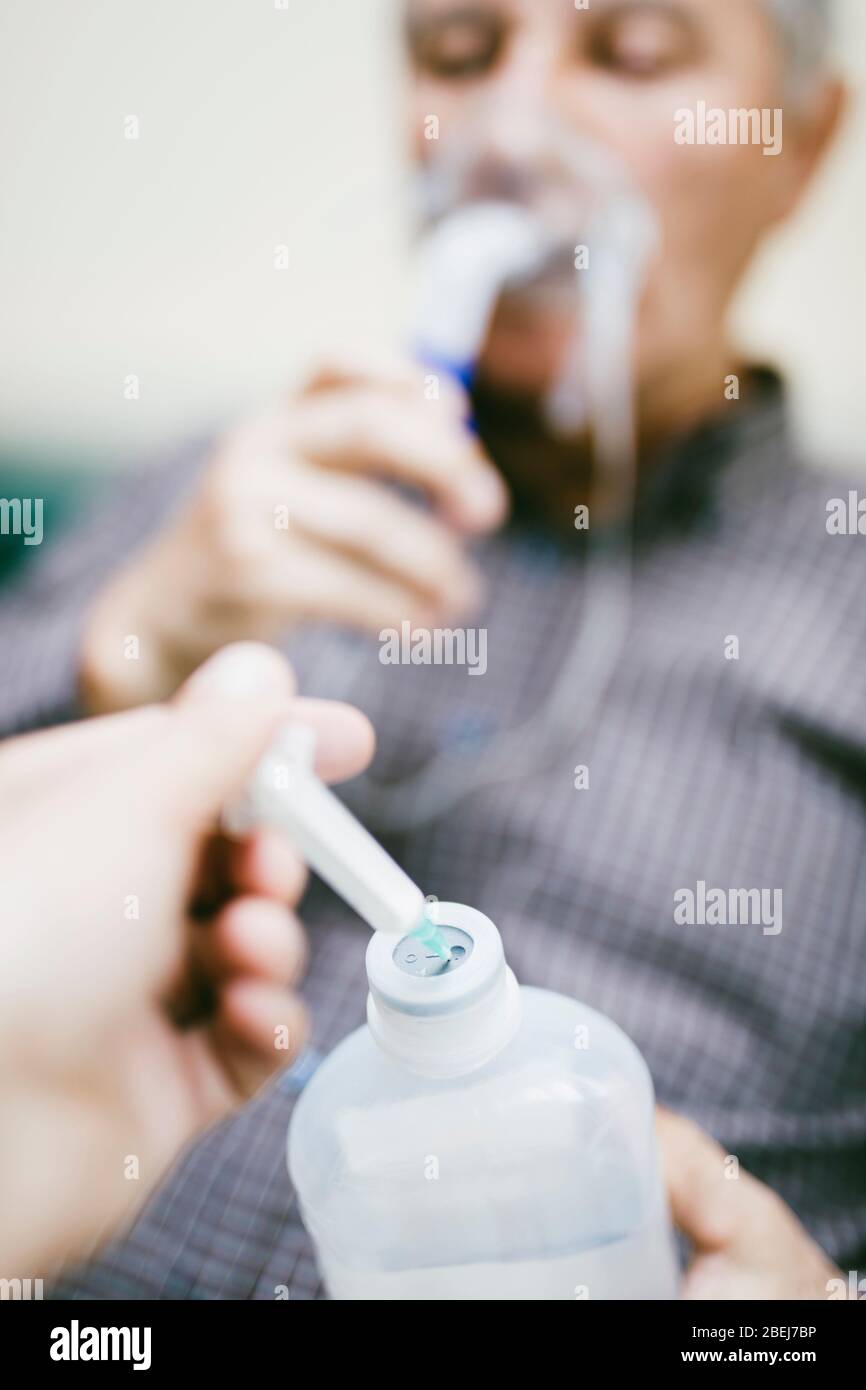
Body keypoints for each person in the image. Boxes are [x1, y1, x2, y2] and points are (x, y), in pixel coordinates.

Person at [0, 0, 863, 1298]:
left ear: (798, 141)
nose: (510, 131)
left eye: (628, 54)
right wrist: (123, 656)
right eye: (457, 53)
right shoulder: (210, 495)